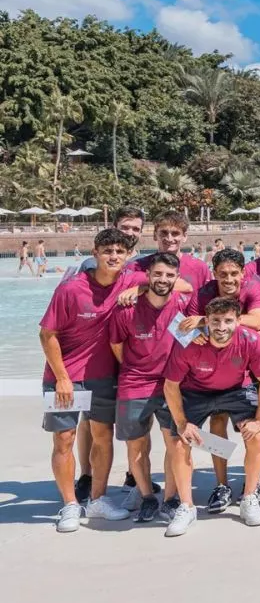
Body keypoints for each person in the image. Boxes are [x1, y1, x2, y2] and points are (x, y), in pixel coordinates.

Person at [40, 228, 145, 532]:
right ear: (95, 253)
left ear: (128, 256)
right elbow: (47, 334)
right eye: (107, 251)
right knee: (64, 439)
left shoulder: (130, 280)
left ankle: (98, 499)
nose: (113, 256)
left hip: (103, 376)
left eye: (120, 252)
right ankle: (70, 504)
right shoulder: (70, 289)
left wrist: (138, 290)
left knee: (103, 436)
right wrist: (62, 378)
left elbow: (175, 283)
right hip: (64, 377)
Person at [162, 297, 260, 536]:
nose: (221, 327)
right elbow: (170, 385)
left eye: (228, 321)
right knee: (179, 442)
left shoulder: (251, 340)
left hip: (235, 390)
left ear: (238, 321)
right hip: (196, 392)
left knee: (255, 435)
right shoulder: (189, 342)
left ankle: (249, 497)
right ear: (206, 321)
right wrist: (182, 423)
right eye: (215, 321)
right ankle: (187, 506)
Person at [178, 247, 260, 510]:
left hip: (244, 364)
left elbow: (257, 320)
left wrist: (209, 322)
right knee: (217, 424)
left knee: (254, 427)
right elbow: (184, 325)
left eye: (233, 274)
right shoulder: (203, 292)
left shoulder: (252, 288)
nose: (228, 279)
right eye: (223, 274)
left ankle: (254, 481)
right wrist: (200, 327)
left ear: (243, 273)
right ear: (214, 274)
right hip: (208, 370)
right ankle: (222, 483)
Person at [108, 253, 190, 522]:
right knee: (136, 445)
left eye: (169, 275)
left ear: (177, 278)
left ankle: (170, 498)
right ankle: (146, 497)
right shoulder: (126, 310)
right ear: (148, 276)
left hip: (172, 385)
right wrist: (136, 368)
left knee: (175, 442)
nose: (163, 279)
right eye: (158, 274)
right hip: (134, 384)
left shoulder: (184, 305)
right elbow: (117, 346)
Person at [72, 206, 145, 498]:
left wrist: (139, 290)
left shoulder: (141, 265)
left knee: (133, 418)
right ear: (114, 226)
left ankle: (133, 474)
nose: (130, 232)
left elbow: (164, 285)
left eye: (136, 229)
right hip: (92, 356)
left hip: (128, 354)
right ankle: (86, 474)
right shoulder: (89, 264)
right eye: (125, 227)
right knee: (89, 420)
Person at [125, 210, 211, 291]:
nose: (169, 238)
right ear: (155, 235)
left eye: (175, 233)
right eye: (164, 233)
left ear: (184, 236)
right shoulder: (135, 267)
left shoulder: (200, 268)